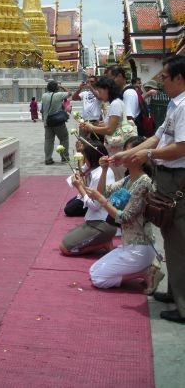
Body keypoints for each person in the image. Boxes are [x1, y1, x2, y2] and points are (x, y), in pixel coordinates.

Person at [110, 55, 185, 323]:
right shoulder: (176, 106)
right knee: (170, 232)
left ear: (179, 78)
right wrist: (128, 155)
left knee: (178, 238)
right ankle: (176, 291)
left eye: (165, 76)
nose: (160, 80)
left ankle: (183, 303)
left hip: (178, 176)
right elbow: (156, 136)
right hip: (168, 175)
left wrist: (148, 156)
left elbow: (181, 146)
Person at [85, 136, 162, 294]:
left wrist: (103, 201)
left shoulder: (144, 182)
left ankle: (145, 273)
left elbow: (125, 217)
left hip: (140, 247)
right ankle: (144, 270)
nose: (122, 155)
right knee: (93, 271)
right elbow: (103, 192)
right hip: (128, 245)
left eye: (127, 152)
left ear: (140, 157)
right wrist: (105, 170)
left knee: (99, 278)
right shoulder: (128, 179)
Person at [60, 142, 116, 255]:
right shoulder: (100, 170)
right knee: (67, 238)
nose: (84, 160)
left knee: (65, 248)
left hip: (102, 222)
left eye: (85, 157)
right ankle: (103, 240)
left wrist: (80, 187)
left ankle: (103, 244)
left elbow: (95, 205)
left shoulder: (100, 174)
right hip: (97, 219)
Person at [79, 76, 125, 178]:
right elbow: (109, 124)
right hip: (114, 146)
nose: (99, 94)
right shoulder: (114, 103)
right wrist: (92, 125)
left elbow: (110, 129)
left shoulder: (115, 104)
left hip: (117, 147)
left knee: (117, 176)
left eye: (99, 91)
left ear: (106, 89)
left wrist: (92, 128)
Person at [41, 80, 71, 165]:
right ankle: (64, 157)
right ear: (57, 88)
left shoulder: (44, 95)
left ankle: (48, 158)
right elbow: (69, 93)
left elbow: (42, 108)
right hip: (58, 122)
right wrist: (61, 86)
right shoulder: (59, 95)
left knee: (48, 140)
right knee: (64, 139)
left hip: (47, 122)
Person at [72, 75, 102, 140]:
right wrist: (79, 89)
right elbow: (74, 98)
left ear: (96, 82)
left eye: (92, 81)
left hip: (95, 121)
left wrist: (90, 87)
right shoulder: (85, 93)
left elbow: (99, 97)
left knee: (95, 141)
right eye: (88, 81)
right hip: (84, 121)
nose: (89, 83)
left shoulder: (100, 92)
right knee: (82, 141)